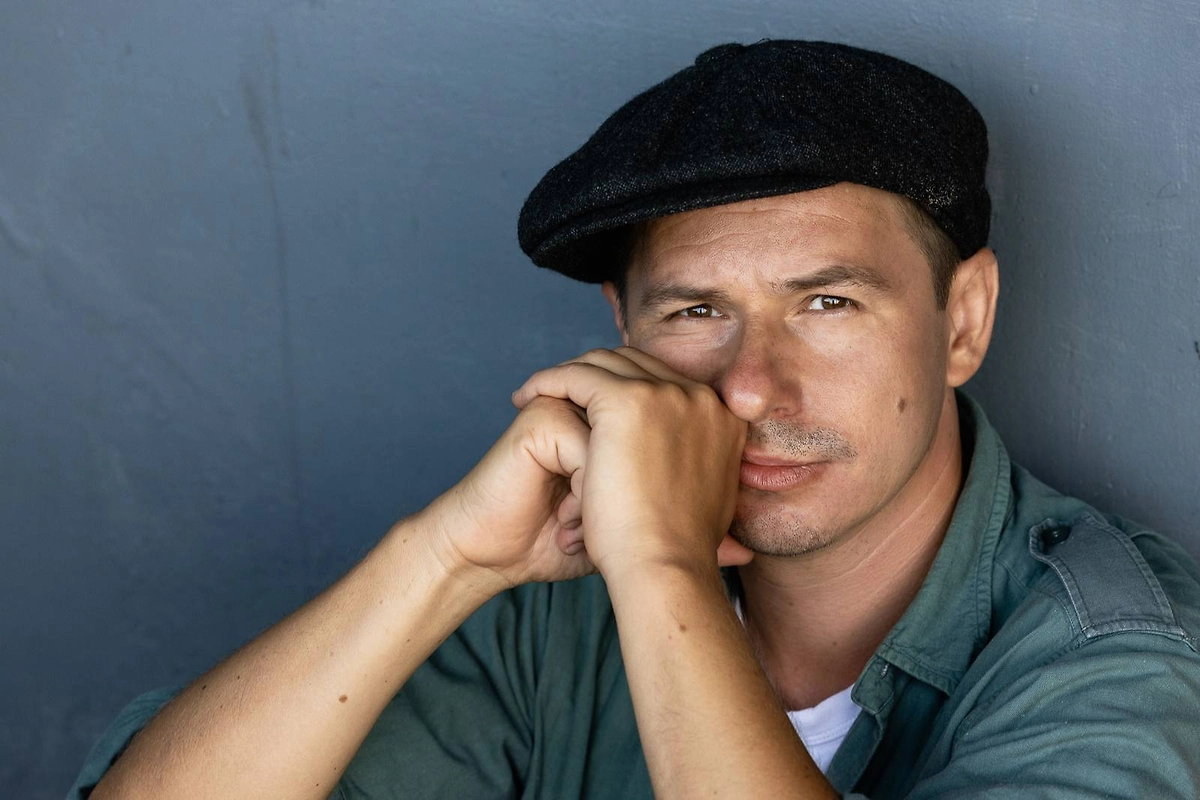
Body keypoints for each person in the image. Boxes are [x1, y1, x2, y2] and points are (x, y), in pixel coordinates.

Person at [71, 40, 1200, 800]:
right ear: (622, 328)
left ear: (963, 321)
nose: (750, 386)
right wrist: (446, 559)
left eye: (828, 304)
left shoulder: (1114, 651)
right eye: (697, 311)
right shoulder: (550, 605)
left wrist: (661, 565)